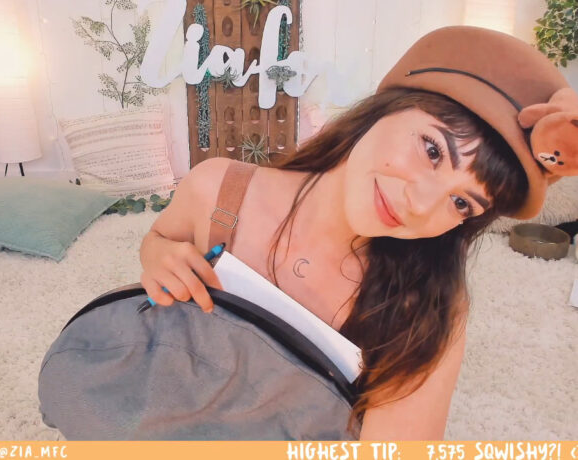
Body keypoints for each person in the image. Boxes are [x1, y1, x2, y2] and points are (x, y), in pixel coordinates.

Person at [139, 26, 578, 439]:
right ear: (386, 109)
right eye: (432, 150)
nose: (421, 205)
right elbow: (159, 241)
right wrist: (159, 256)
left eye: (461, 202)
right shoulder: (218, 189)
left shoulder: (429, 307)